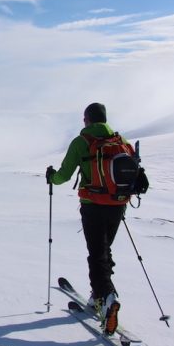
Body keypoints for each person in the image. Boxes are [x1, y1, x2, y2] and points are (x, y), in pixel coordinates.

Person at [46, 103, 126, 334]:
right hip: (118, 205)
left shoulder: (81, 142)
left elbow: (64, 175)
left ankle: (108, 298)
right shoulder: (122, 141)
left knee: (96, 253)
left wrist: (52, 177)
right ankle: (98, 294)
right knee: (104, 250)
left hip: (93, 206)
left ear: (88, 120)